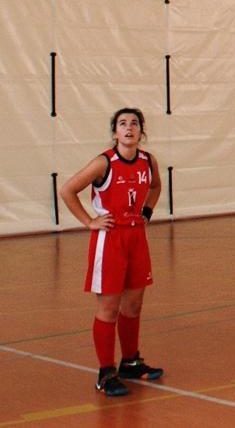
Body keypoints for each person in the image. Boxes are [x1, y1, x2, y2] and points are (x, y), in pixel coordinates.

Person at [59, 108, 163, 397]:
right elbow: (67, 190)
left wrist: (147, 211)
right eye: (122, 123)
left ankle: (130, 361)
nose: (129, 128)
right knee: (109, 307)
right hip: (110, 239)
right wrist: (89, 221)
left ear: (142, 131)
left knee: (133, 305)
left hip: (136, 236)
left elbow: (156, 186)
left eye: (134, 123)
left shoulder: (148, 161)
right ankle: (105, 372)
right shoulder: (103, 163)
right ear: (114, 132)